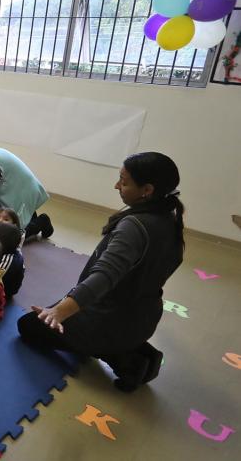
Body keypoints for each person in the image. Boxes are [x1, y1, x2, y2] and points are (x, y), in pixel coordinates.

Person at [17, 152, 184, 392]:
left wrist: (59, 312)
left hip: (108, 320)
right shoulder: (169, 217)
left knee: (28, 326)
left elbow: (103, 277)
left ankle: (126, 359)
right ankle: (133, 347)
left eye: (124, 182)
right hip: (144, 315)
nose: (117, 185)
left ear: (147, 189)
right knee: (58, 312)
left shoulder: (134, 227)